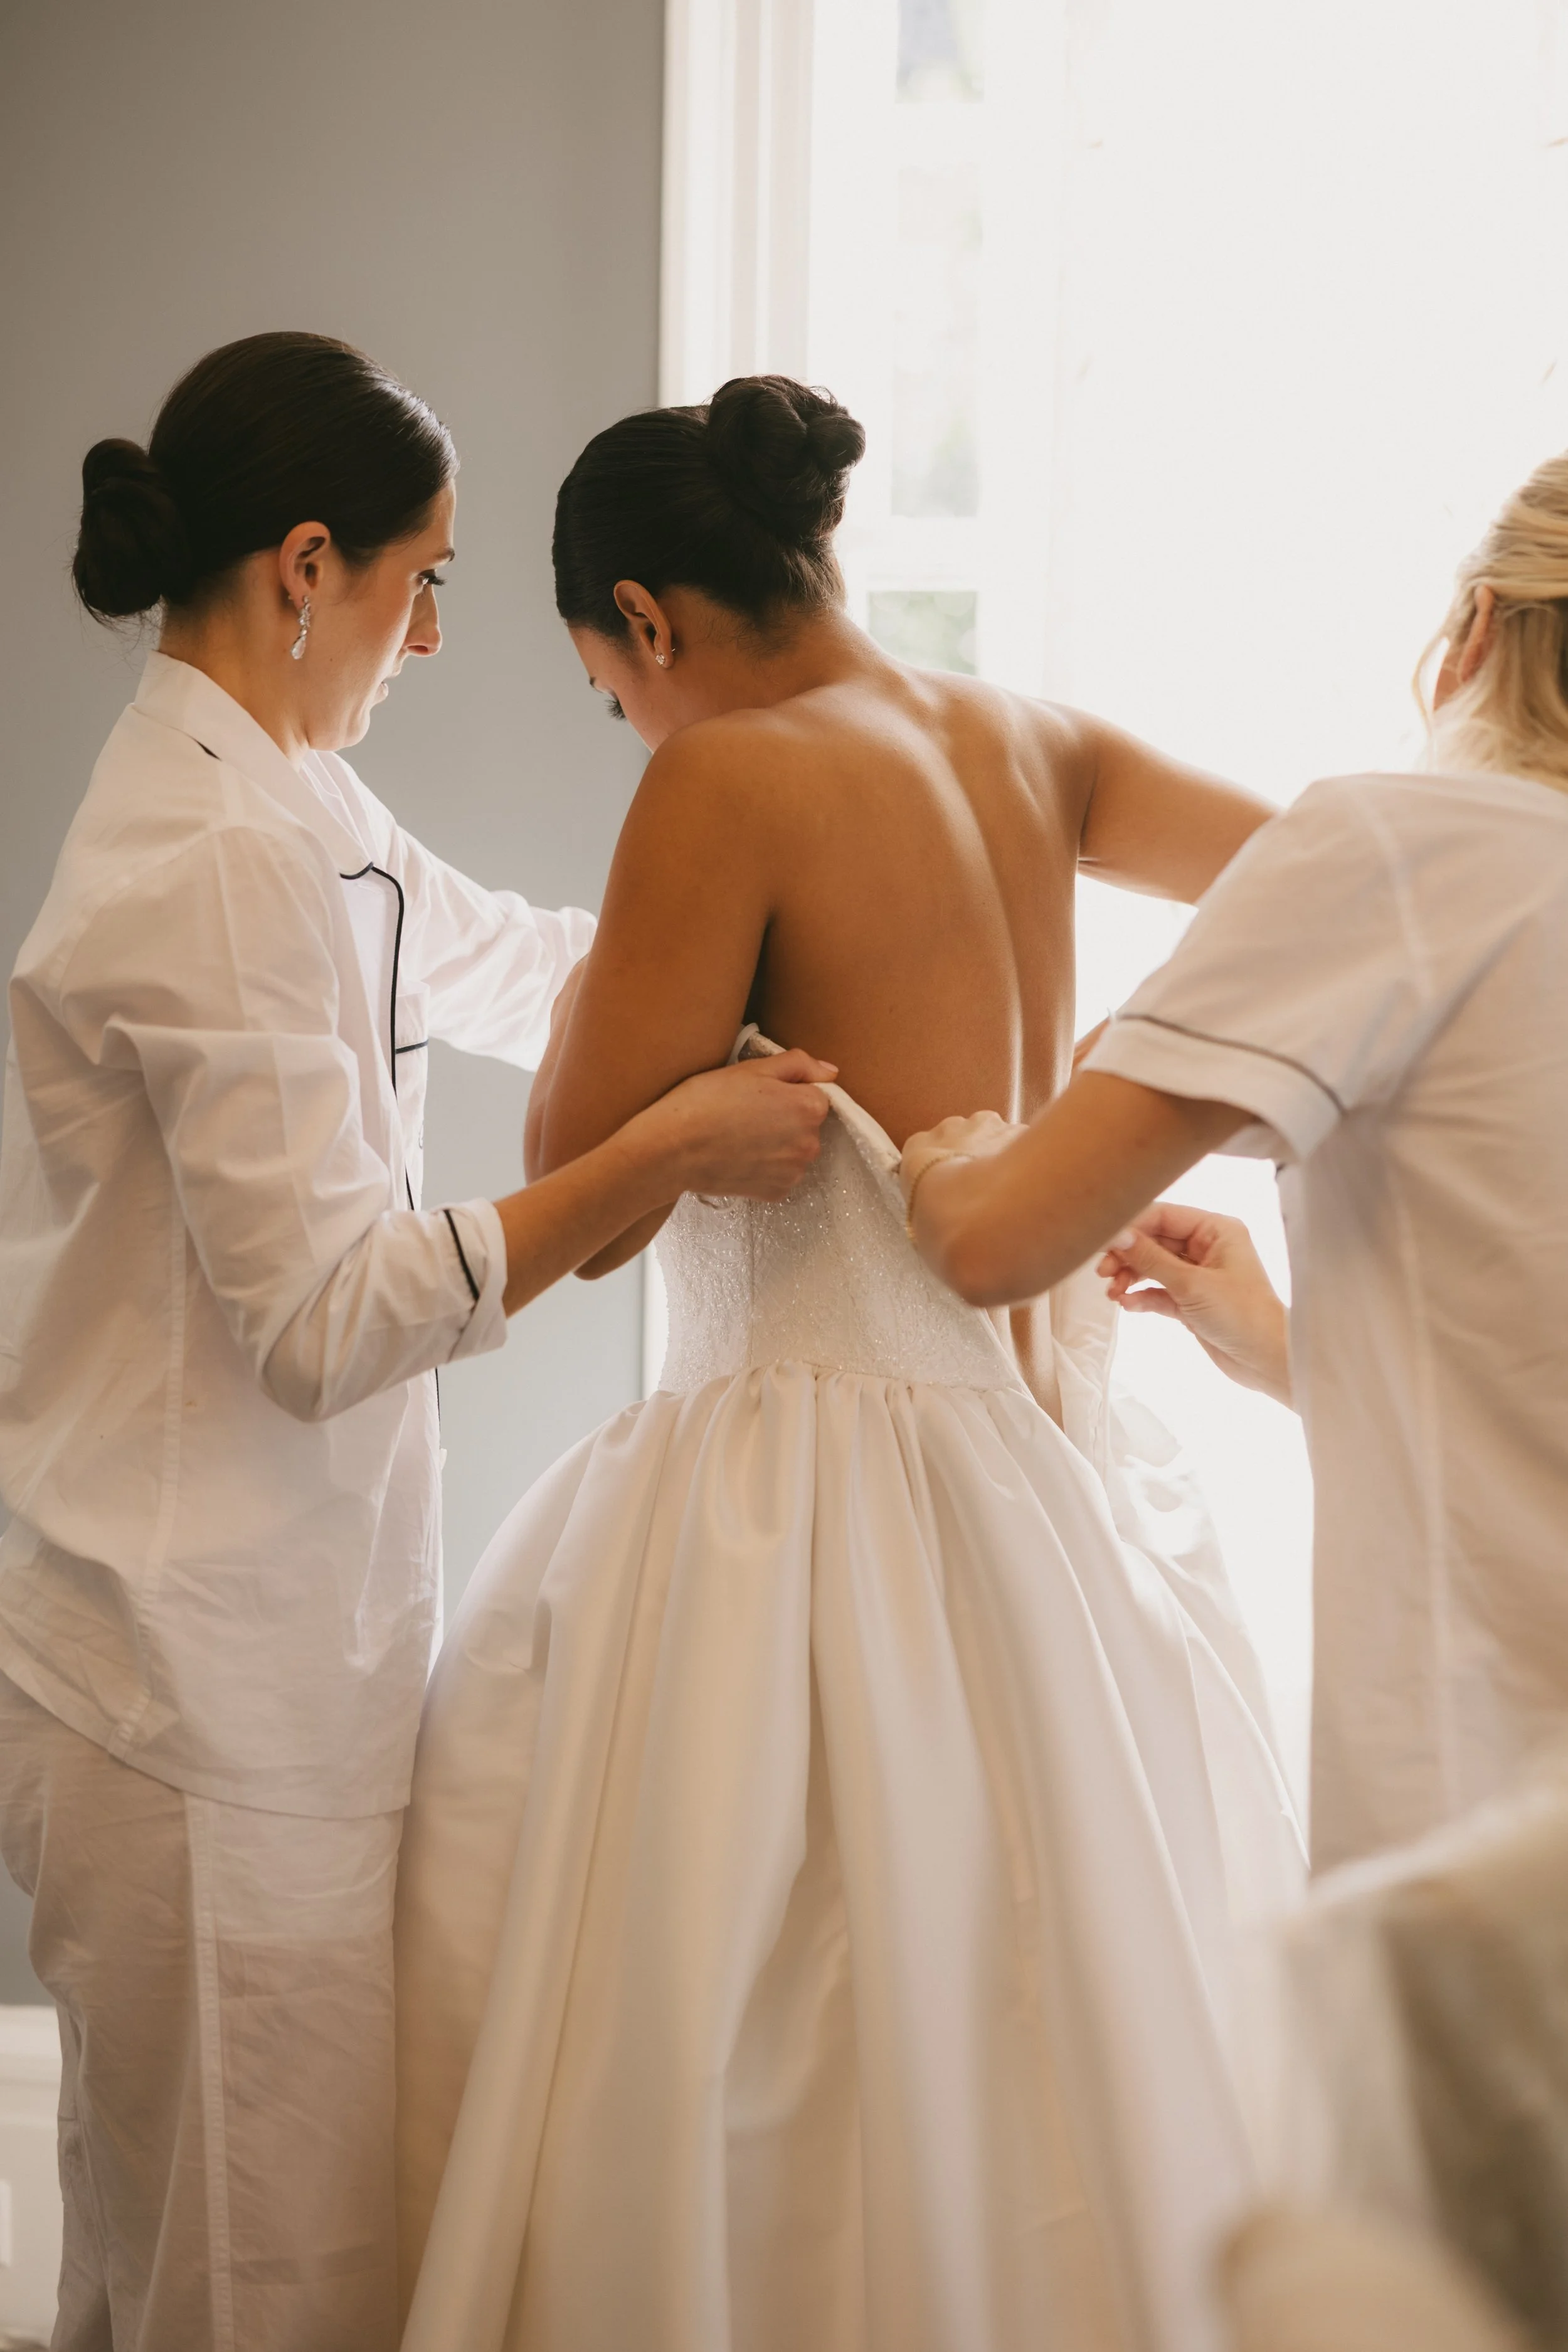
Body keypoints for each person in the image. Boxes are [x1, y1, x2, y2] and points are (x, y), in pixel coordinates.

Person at [393, 374, 1305, 2352]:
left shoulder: (729, 782)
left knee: (746, 2001)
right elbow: (1317, 882)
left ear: (645, 618)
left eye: (602, 687)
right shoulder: (1026, 732)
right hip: (1042, 1470)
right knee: (1032, 1999)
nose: (627, 727)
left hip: (802, 1493)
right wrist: (1124, 1114)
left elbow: (577, 1176)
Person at [0, 332, 834, 2352]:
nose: (437, 633)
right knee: (251, 2280)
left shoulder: (292, 790)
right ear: (309, 566)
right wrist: (651, 1152)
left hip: (282, 1639)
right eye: (425, 579)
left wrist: (753, 944)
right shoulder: (203, 858)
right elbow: (318, 1319)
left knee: (202, 2245)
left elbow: (509, 954)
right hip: (186, 1673)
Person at [901, 447, 1568, 1877]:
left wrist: (945, 1159)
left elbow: (994, 1243)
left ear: (1476, 632)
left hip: (1497, 1809)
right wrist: (1276, 1342)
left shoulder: (1403, 849)